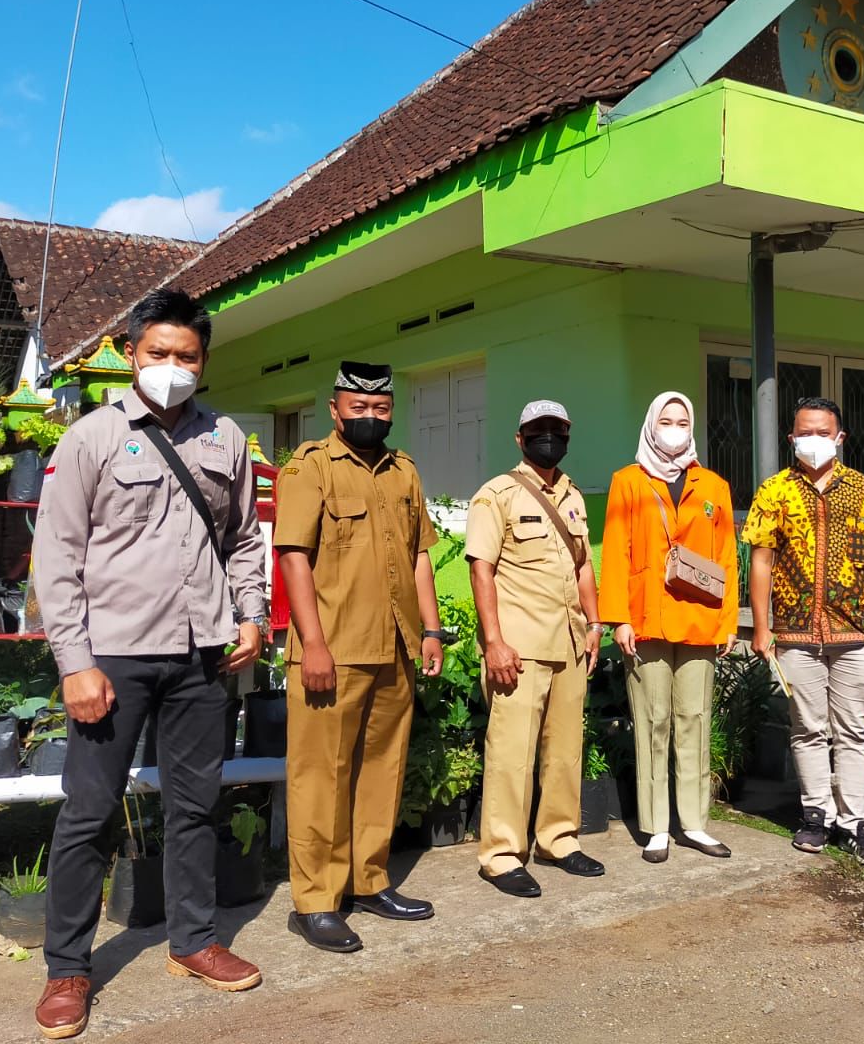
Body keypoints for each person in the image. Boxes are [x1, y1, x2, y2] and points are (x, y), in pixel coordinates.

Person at [32, 288, 268, 1040]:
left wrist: (252, 613)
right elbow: (57, 555)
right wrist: (75, 661)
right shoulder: (91, 439)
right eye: (158, 353)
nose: (171, 367)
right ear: (130, 354)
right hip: (114, 659)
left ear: (205, 361)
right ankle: (68, 966)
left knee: (197, 805)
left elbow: (240, 541)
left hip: (203, 655)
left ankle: (193, 940)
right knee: (89, 812)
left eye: (186, 356)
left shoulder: (226, 439)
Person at [274, 361, 449, 953]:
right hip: (333, 651)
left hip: (395, 646)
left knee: (382, 772)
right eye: (358, 409)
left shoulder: (404, 472)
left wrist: (431, 629)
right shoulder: (310, 468)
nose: (370, 419)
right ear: (335, 410)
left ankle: (369, 881)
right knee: (320, 778)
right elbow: (293, 557)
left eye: (380, 410)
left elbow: (420, 555)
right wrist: (314, 644)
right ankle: (316, 902)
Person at [743, 396, 864, 867]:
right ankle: (816, 815)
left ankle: (855, 822)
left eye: (821, 432)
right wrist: (761, 626)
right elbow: (761, 560)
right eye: (804, 432)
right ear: (791, 438)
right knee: (808, 729)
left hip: (855, 630)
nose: (812, 440)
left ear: (839, 438)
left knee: (853, 731)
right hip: (794, 634)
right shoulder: (773, 491)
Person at [466, 400, 606, 897]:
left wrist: (595, 623)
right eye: (538, 430)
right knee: (511, 754)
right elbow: (481, 569)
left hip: (569, 643)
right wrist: (494, 642)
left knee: (566, 753)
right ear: (520, 438)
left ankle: (558, 839)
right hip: (519, 648)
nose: (549, 437)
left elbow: (583, 565)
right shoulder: (495, 495)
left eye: (558, 430)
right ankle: (502, 855)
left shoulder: (573, 496)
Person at [599, 392, 739, 863]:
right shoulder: (628, 482)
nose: (674, 428)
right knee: (652, 721)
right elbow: (615, 552)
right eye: (666, 419)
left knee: (694, 720)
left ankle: (695, 823)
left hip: (700, 619)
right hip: (646, 620)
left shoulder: (713, 486)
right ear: (650, 424)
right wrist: (618, 618)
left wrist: (728, 622)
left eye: (682, 420)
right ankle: (657, 825)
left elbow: (726, 557)